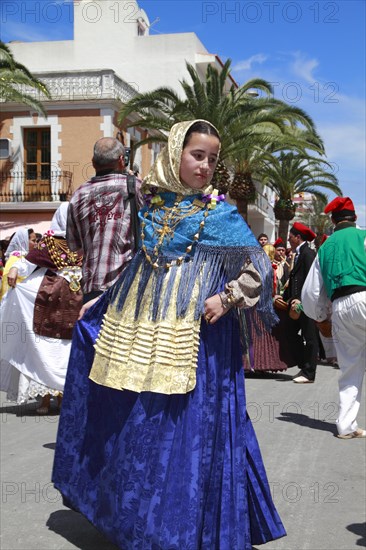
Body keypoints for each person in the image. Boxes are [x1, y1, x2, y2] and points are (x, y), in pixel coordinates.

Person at [52, 120, 286, 549]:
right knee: (140, 422)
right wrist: (101, 302)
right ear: (176, 153)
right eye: (198, 155)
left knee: (187, 433)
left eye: (213, 159)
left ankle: (185, 528)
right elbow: (140, 266)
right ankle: (138, 521)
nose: (206, 166)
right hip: (148, 332)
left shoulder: (219, 214)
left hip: (199, 340)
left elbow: (260, 267)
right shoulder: (153, 208)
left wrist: (228, 296)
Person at [0, 203, 82, 413]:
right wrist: (14, 269)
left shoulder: (85, 241)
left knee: (71, 349)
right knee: (45, 348)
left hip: (78, 304)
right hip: (50, 305)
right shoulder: (48, 244)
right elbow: (27, 262)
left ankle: (67, 397)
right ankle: (45, 399)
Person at [302, 197, 366, 439]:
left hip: (340, 306)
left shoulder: (325, 247)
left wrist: (320, 317)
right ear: (355, 218)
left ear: (333, 220)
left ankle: (346, 427)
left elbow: (311, 291)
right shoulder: (362, 236)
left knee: (350, 367)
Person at [66, 137, 144, 303]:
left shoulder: (78, 194)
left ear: (93, 163)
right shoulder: (137, 187)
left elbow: (74, 245)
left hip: (92, 289)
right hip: (128, 286)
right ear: (122, 160)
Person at [283, 221, 318, 383]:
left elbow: (312, 280)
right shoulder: (298, 253)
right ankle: (304, 365)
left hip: (306, 303)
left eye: (290, 237)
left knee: (310, 337)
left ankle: (309, 373)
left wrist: (302, 299)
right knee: (289, 332)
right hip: (296, 303)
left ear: (298, 237)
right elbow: (295, 279)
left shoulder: (308, 253)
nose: (288, 239)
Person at [0, 228, 37, 300]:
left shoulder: (25, 257)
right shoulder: (15, 259)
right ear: (24, 242)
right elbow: (7, 286)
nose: (36, 244)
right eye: (33, 241)